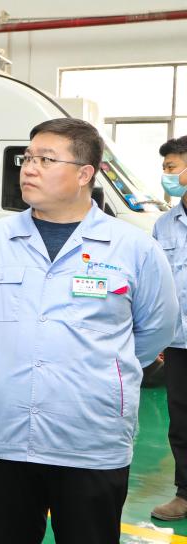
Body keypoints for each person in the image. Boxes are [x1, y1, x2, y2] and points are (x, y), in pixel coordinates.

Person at [0, 118, 178, 543]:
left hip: (90, 438)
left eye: (46, 160)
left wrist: (97, 370)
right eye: (27, 158)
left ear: (85, 174)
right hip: (7, 432)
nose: (29, 168)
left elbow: (157, 328)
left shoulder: (133, 247)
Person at [151, 135, 187, 521]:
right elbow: (157, 285)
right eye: (165, 167)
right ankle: (185, 494)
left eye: (172, 167)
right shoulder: (164, 225)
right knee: (181, 421)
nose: (166, 175)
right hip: (179, 342)